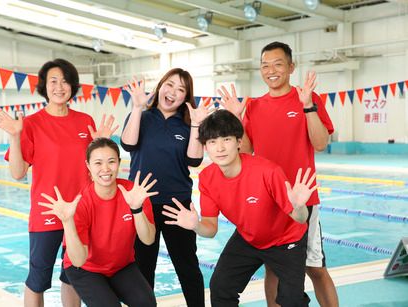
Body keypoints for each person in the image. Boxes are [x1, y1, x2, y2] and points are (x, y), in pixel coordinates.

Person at [0, 58, 118, 307]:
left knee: (73, 276)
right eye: (53, 81)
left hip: (81, 212)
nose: (60, 87)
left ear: (73, 86)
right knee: (38, 278)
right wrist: (15, 136)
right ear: (44, 86)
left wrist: (101, 144)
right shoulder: (31, 124)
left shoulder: (85, 122)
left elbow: (96, 169)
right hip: (47, 212)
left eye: (66, 81)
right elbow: (17, 173)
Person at [218, 41, 338, 307]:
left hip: (301, 197)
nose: (271, 70)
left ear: (291, 67)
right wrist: (237, 118)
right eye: (265, 65)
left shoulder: (307, 97)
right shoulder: (254, 106)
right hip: (267, 200)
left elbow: (320, 143)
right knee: (272, 267)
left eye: (278, 64)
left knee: (315, 267)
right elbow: (247, 151)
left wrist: (307, 107)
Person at [162, 109, 316, 307]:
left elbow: (301, 218)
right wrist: (196, 226)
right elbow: (210, 229)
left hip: (287, 240)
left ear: (239, 142)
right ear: (206, 147)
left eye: (226, 139)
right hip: (249, 238)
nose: (220, 148)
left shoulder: (267, 172)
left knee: (291, 301)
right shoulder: (207, 178)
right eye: (212, 142)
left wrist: (300, 205)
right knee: (220, 287)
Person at [121, 68, 212, 307]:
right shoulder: (143, 116)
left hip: (176, 206)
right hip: (143, 204)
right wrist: (137, 108)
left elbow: (194, 161)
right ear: (160, 86)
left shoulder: (187, 124)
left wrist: (195, 125)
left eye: (181, 89)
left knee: (187, 267)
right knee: (142, 267)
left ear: (186, 97)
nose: (173, 92)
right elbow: (128, 144)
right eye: (169, 85)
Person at [38, 138, 157, 307]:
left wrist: (136, 209)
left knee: (146, 303)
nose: (105, 169)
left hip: (120, 266)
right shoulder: (82, 203)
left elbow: (148, 239)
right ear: (88, 166)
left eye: (111, 162)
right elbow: (78, 260)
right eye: (98, 163)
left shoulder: (134, 194)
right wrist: (67, 221)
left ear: (119, 163)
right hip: (86, 269)